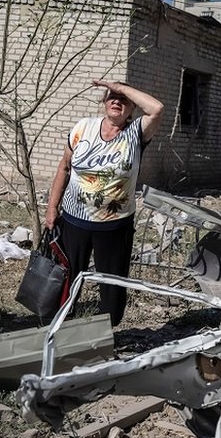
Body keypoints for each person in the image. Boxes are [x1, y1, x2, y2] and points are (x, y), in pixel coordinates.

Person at [45, 80, 163, 326]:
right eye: (112, 97)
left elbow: (156, 109)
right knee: (65, 279)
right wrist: (51, 208)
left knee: (112, 286)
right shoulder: (83, 127)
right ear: (104, 102)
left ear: (131, 108)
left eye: (124, 99)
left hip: (114, 226)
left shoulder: (137, 133)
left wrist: (117, 86)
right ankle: (58, 328)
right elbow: (64, 167)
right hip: (74, 221)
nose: (117, 101)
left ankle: (106, 334)